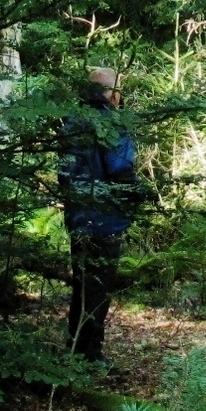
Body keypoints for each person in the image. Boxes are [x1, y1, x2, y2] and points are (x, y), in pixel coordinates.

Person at [57, 67, 139, 365]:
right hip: (104, 220)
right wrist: (137, 199)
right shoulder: (112, 124)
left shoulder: (72, 123)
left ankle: (76, 347)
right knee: (96, 288)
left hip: (77, 218)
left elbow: (64, 175)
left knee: (82, 284)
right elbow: (121, 171)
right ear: (112, 94)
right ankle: (88, 355)